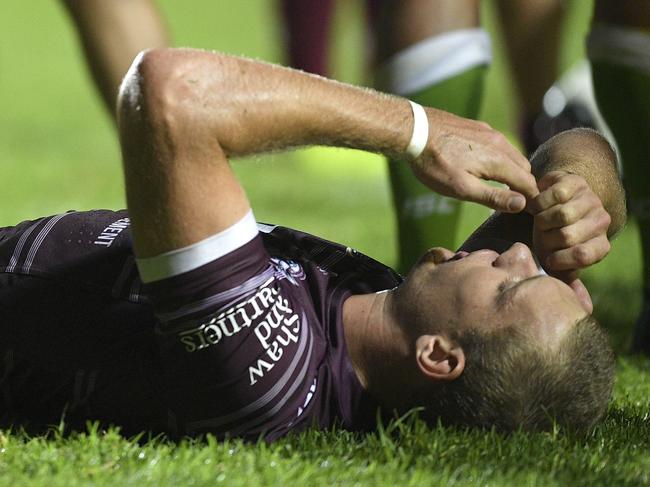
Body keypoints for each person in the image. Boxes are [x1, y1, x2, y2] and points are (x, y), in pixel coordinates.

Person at [0, 49, 624, 440]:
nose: (518, 255)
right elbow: (587, 149)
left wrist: (414, 130)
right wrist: (578, 197)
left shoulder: (269, 373)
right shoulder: (393, 314)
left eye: (512, 284)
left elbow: (169, 93)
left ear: (438, 356)